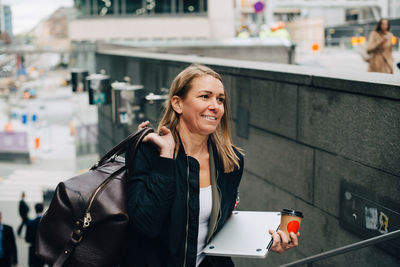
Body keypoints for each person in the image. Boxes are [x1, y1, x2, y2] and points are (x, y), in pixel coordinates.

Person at [124, 64, 299, 267]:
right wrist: (166, 159)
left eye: (220, 99)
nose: (215, 106)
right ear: (178, 104)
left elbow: (219, 226)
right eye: (205, 96)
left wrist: (267, 240)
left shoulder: (230, 161)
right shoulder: (149, 151)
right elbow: (146, 226)